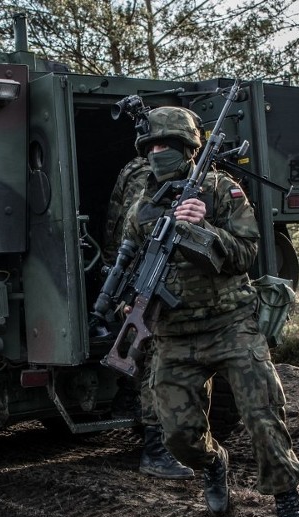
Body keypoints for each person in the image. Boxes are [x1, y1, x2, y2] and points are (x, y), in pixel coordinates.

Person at [117, 105, 299, 517]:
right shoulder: (142, 207)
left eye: (167, 145)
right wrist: (126, 299)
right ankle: (213, 465)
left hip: (230, 325)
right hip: (174, 334)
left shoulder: (223, 190)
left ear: (189, 149)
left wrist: (203, 228)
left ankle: (288, 502)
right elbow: (129, 259)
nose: (158, 152)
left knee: (263, 413)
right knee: (177, 436)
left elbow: (247, 253)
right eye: (151, 146)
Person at [102, 156, 194, 481]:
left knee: (145, 353)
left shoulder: (134, 168)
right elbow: (135, 225)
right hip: (145, 271)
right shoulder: (149, 174)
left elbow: (119, 225)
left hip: (137, 268)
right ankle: (155, 450)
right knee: (152, 357)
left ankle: (130, 407)